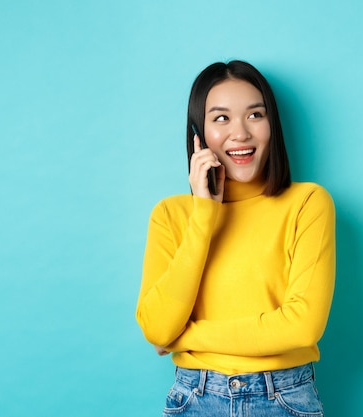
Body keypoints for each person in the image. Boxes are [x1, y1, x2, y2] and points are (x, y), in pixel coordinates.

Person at [136, 60, 335, 416]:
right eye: (221, 118)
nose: (240, 133)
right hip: (193, 398)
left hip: (283, 399)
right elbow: (156, 326)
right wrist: (204, 215)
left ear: (272, 125)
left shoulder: (307, 203)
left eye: (255, 115)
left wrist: (183, 337)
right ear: (199, 134)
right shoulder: (170, 215)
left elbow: (303, 326)